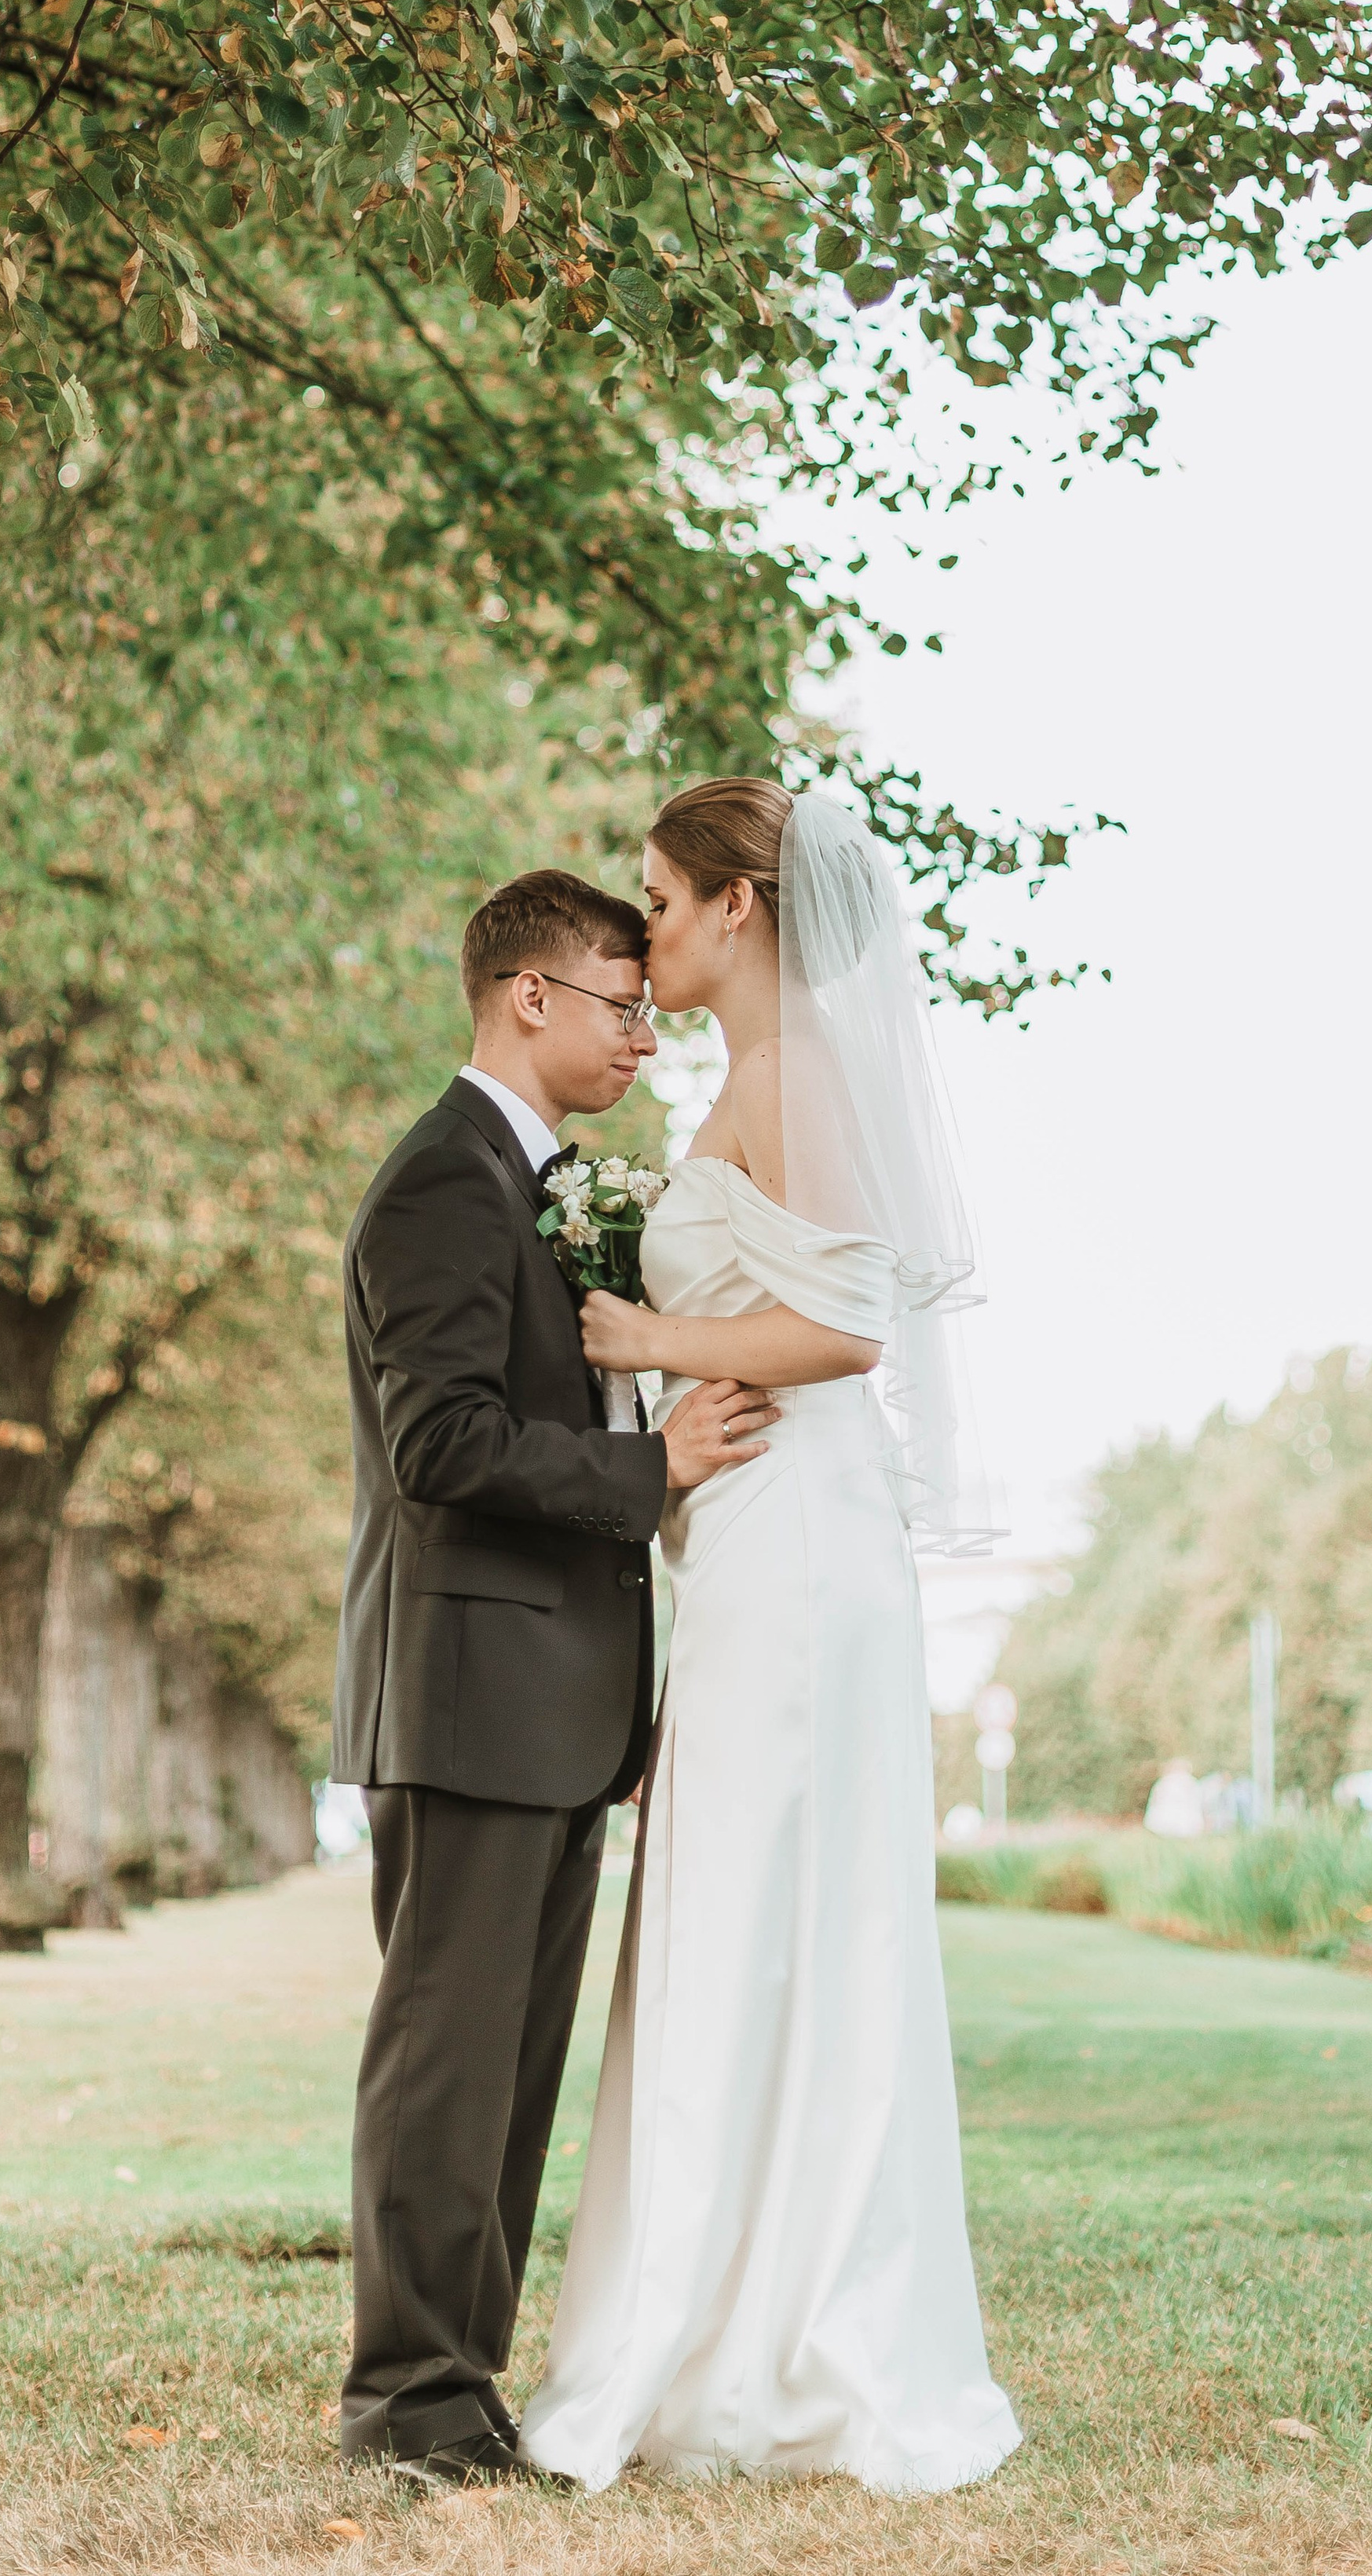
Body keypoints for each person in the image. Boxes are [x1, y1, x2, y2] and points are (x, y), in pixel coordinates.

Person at [520, 779, 1023, 2496]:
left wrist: (645, 1322)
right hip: (743, 1533)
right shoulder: (752, 1081)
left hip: (800, 1547)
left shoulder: (799, 1073)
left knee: (768, 1913)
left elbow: (852, 1320)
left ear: (740, 905)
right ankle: (720, 2317)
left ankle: (781, 2345)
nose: (642, 934)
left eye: (660, 900)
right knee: (733, 1909)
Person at [331, 866, 781, 2485]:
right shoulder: (440, 1186)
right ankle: (406, 2406)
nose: (643, 1035)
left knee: (512, 2079)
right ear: (529, 995)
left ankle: (463, 2387)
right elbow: (438, 1444)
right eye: (621, 1000)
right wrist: (649, 1468)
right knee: (445, 2062)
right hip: (464, 1694)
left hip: (556, 1704)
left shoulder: (547, 1183)